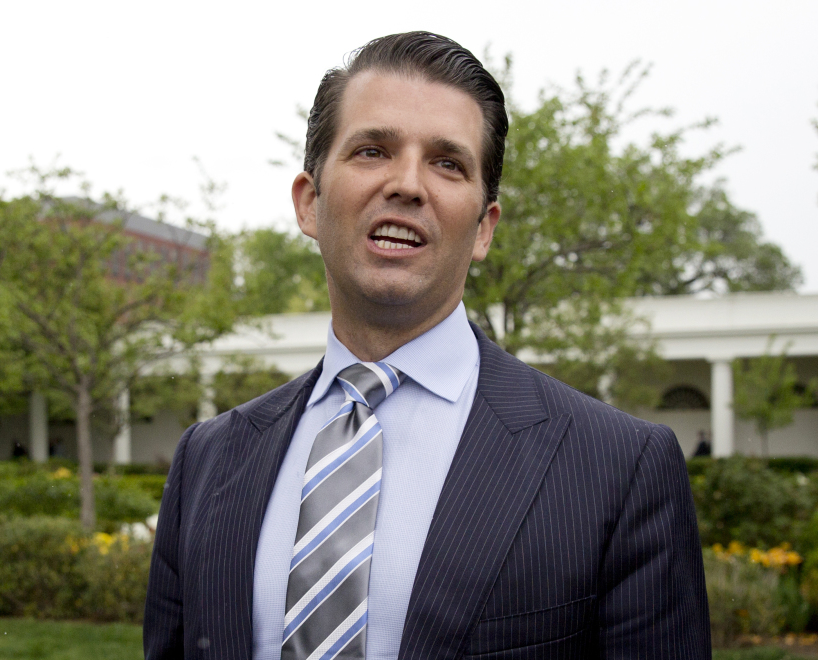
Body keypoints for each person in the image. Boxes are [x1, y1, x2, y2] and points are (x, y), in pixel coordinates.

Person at [144, 31, 710, 659]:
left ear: (484, 228)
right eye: (371, 150)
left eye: (448, 162)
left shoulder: (620, 469)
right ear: (309, 202)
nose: (408, 184)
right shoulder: (208, 460)